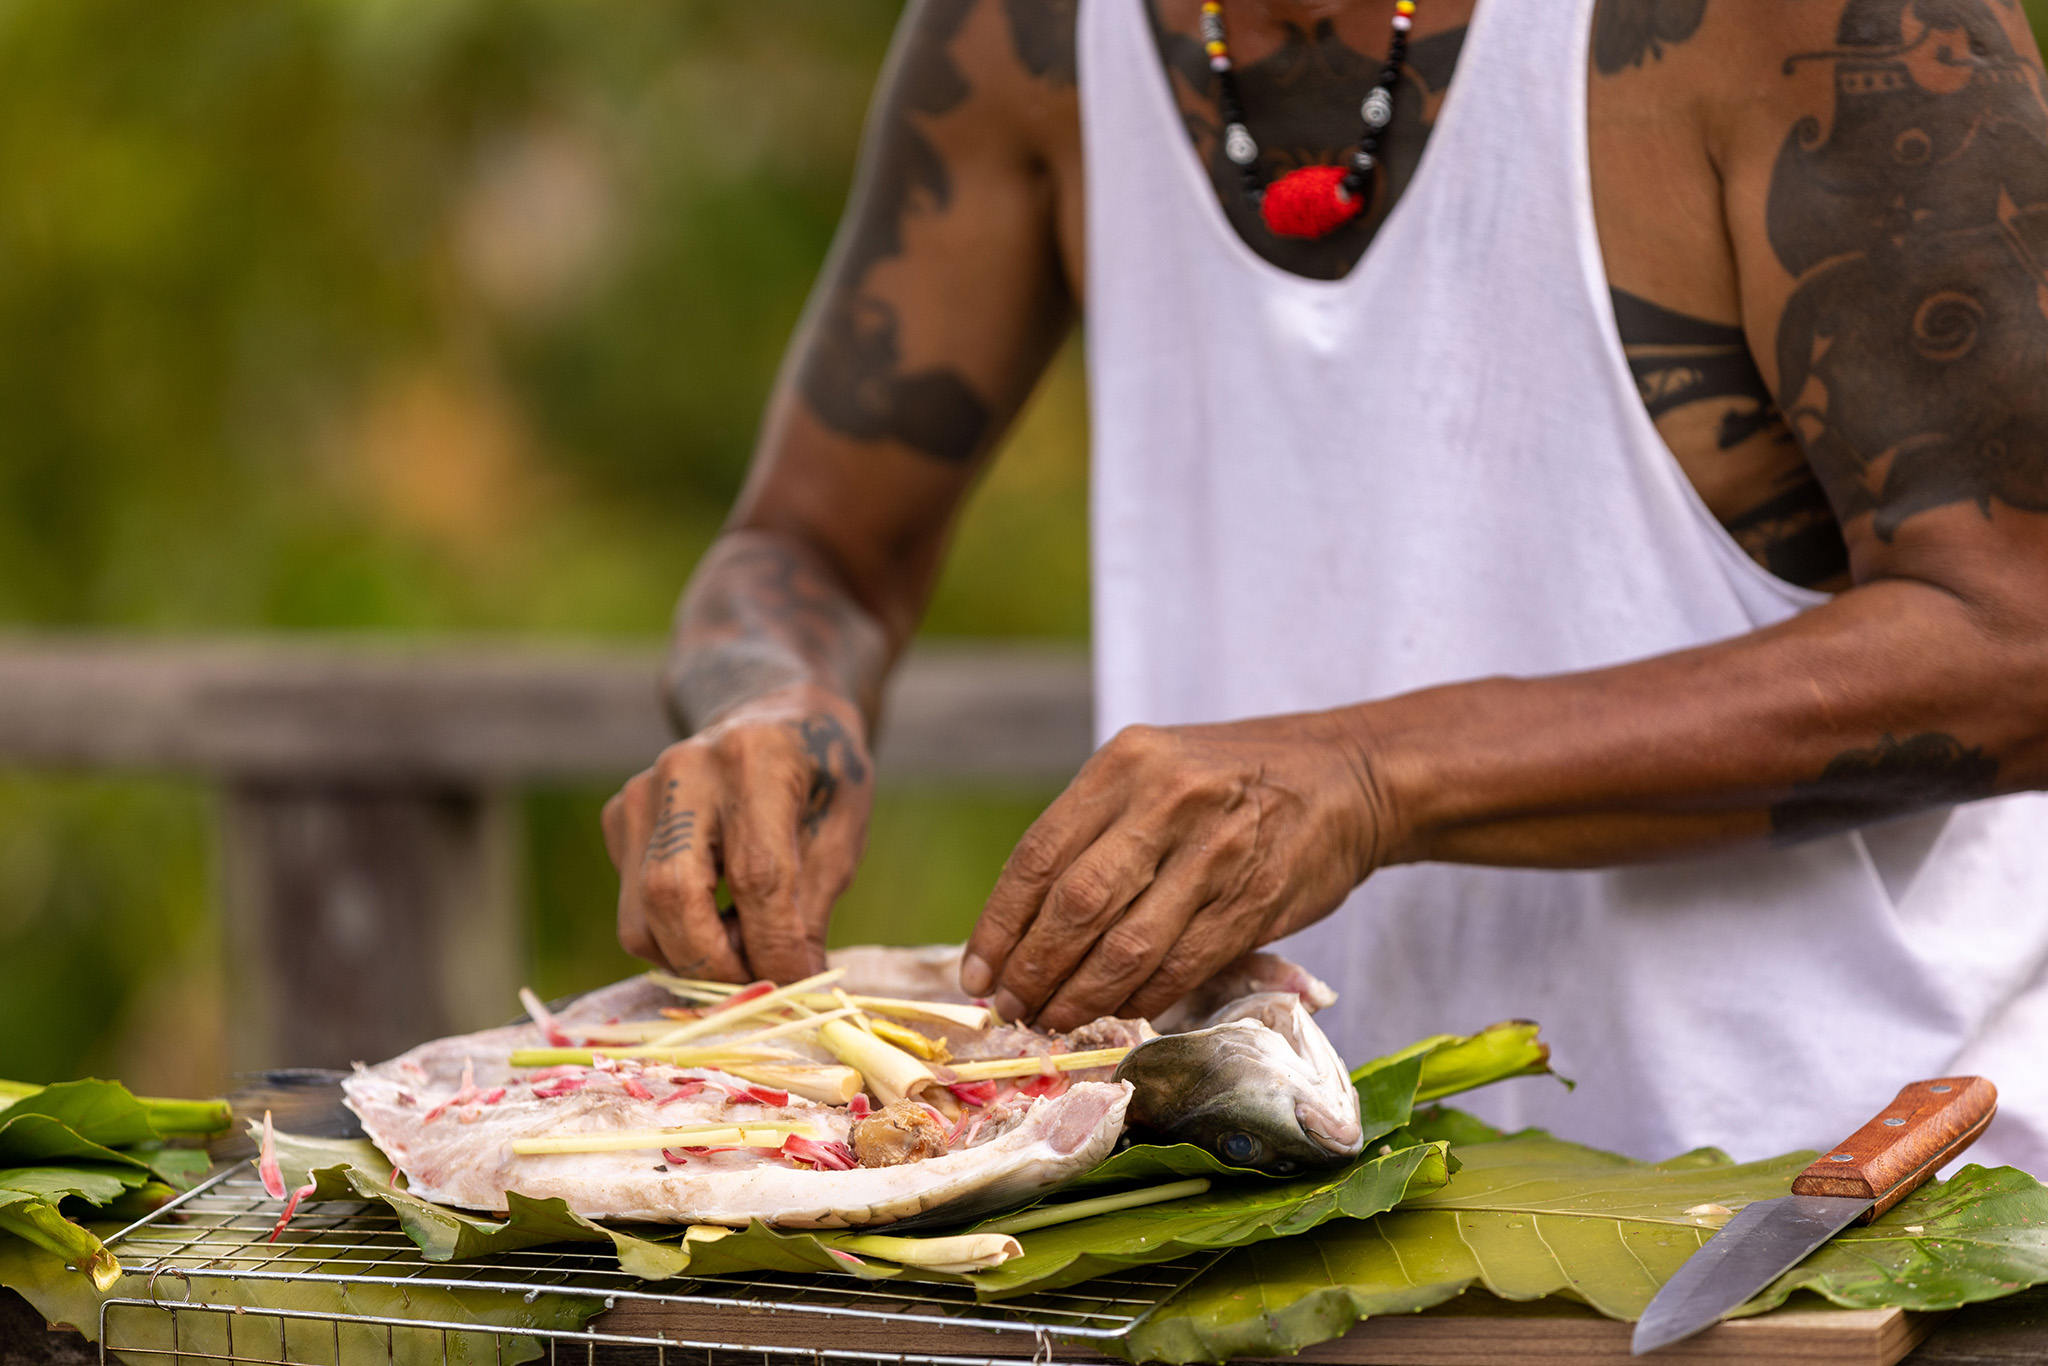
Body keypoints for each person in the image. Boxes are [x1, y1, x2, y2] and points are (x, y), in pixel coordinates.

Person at [601, 0, 2048, 1172]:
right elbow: (813, 545)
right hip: (1301, 1202)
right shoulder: (1021, 38)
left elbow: (2022, 631)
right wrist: (777, 702)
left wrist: (1372, 774)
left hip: (1868, 1197)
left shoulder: (1812, 26)